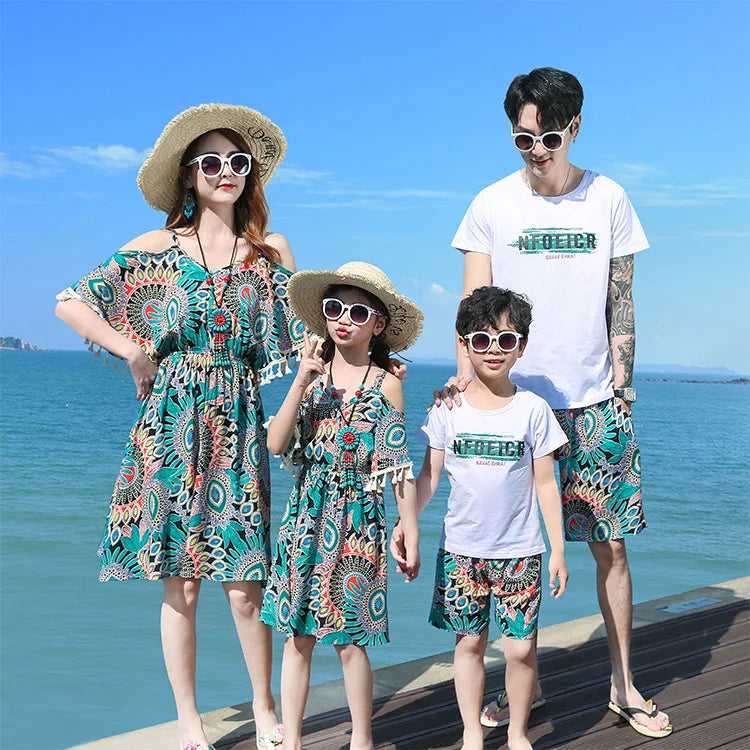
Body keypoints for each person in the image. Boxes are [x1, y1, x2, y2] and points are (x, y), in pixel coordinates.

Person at [55, 104, 302, 750]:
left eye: (238, 163)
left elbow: (309, 337)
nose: (227, 173)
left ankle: (264, 704)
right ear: (190, 176)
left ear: (251, 176)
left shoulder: (268, 253)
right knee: (181, 581)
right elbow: (70, 302)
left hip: (240, 421)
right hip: (170, 421)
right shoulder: (157, 248)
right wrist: (132, 350)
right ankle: (189, 721)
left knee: (246, 583)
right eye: (212, 162)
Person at [440, 67, 672, 739]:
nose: (536, 151)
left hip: (595, 403)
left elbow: (620, 303)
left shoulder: (610, 199)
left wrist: (623, 389)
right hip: (512, 405)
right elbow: (471, 312)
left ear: (573, 129)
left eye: (547, 137)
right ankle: (524, 691)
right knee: (512, 553)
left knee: (611, 551)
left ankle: (624, 685)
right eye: (522, 139)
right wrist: (467, 391)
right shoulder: (490, 204)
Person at [394, 286, 568, 750]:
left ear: (522, 347)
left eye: (506, 340)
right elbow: (427, 476)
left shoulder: (533, 410)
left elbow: (546, 483)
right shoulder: (447, 410)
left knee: (520, 648)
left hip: (521, 552)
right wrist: (405, 523)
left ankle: (516, 732)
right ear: (464, 343)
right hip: (461, 551)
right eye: (481, 340)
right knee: (468, 644)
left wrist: (558, 549)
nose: (493, 350)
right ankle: (472, 731)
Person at [259, 262, 423, 750]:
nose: (343, 319)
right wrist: (301, 380)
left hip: (358, 523)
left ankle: (362, 740)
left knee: (351, 639)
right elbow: (276, 443)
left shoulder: (386, 383)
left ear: (379, 324)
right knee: (297, 636)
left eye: (358, 310)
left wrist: (409, 528)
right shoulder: (311, 375)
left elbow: (397, 468)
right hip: (306, 518)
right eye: (334, 308)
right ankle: (291, 741)